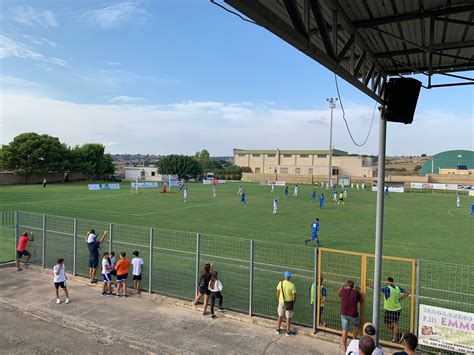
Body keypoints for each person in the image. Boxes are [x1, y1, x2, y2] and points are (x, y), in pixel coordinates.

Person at [367, 276, 408, 343]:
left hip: (390, 309)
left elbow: (377, 289)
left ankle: (394, 339)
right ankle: (399, 334)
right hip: (397, 309)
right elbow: (406, 292)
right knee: (388, 324)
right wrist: (401, 298)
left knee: (394, 324)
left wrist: (369, 285)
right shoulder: (397, 288)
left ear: (388, 282)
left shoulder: (387, 289)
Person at [339, 280, 362, 353]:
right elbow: (361, 300)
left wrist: (342, 286)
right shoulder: (356, 293)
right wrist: (358, 291)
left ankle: (344, 347)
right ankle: (353, 341)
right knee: (356, 324)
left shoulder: (343, 290)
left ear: (346, 285)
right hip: (353, 314)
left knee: (345, 330)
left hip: (343, 314)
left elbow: (339, 294)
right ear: (353, 286)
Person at [276, 271, 296, 337]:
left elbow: (277, 292)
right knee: (288, 318)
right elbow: (294, 295)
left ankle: (278, 329)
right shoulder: (292, 285)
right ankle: (288, 331)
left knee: (280, 316)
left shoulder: (280, 283)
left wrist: (279, 299)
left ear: (284, 276)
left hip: (281, 302)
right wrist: (293, 302)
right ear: (290, 277)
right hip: (288, 303)